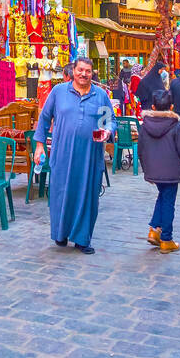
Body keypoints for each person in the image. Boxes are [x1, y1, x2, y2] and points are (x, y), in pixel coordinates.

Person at [33, 57, 114, 254]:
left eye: (88, 71)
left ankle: (82, 239)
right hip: (63, 153)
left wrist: (107, 131)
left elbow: (109, 120)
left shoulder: (100, 95)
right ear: (73, 71)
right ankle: (60, 234)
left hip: (90, 156)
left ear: (92, 73)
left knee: (87, 195)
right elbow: (44, 118)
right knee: (61, 193)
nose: (84, 74)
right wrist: (39, 146)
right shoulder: (59, 92)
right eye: (80, 70)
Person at [138, 89, 180, 253]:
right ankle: (167, 239)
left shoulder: (145, 126)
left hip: (153, 169)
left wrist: (147, 171)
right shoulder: (176, 126)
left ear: (153, 106)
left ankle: (154, 229)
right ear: (172, 107)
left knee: (163, 196)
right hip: (172, 170)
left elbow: (141, 150)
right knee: (168, 202)